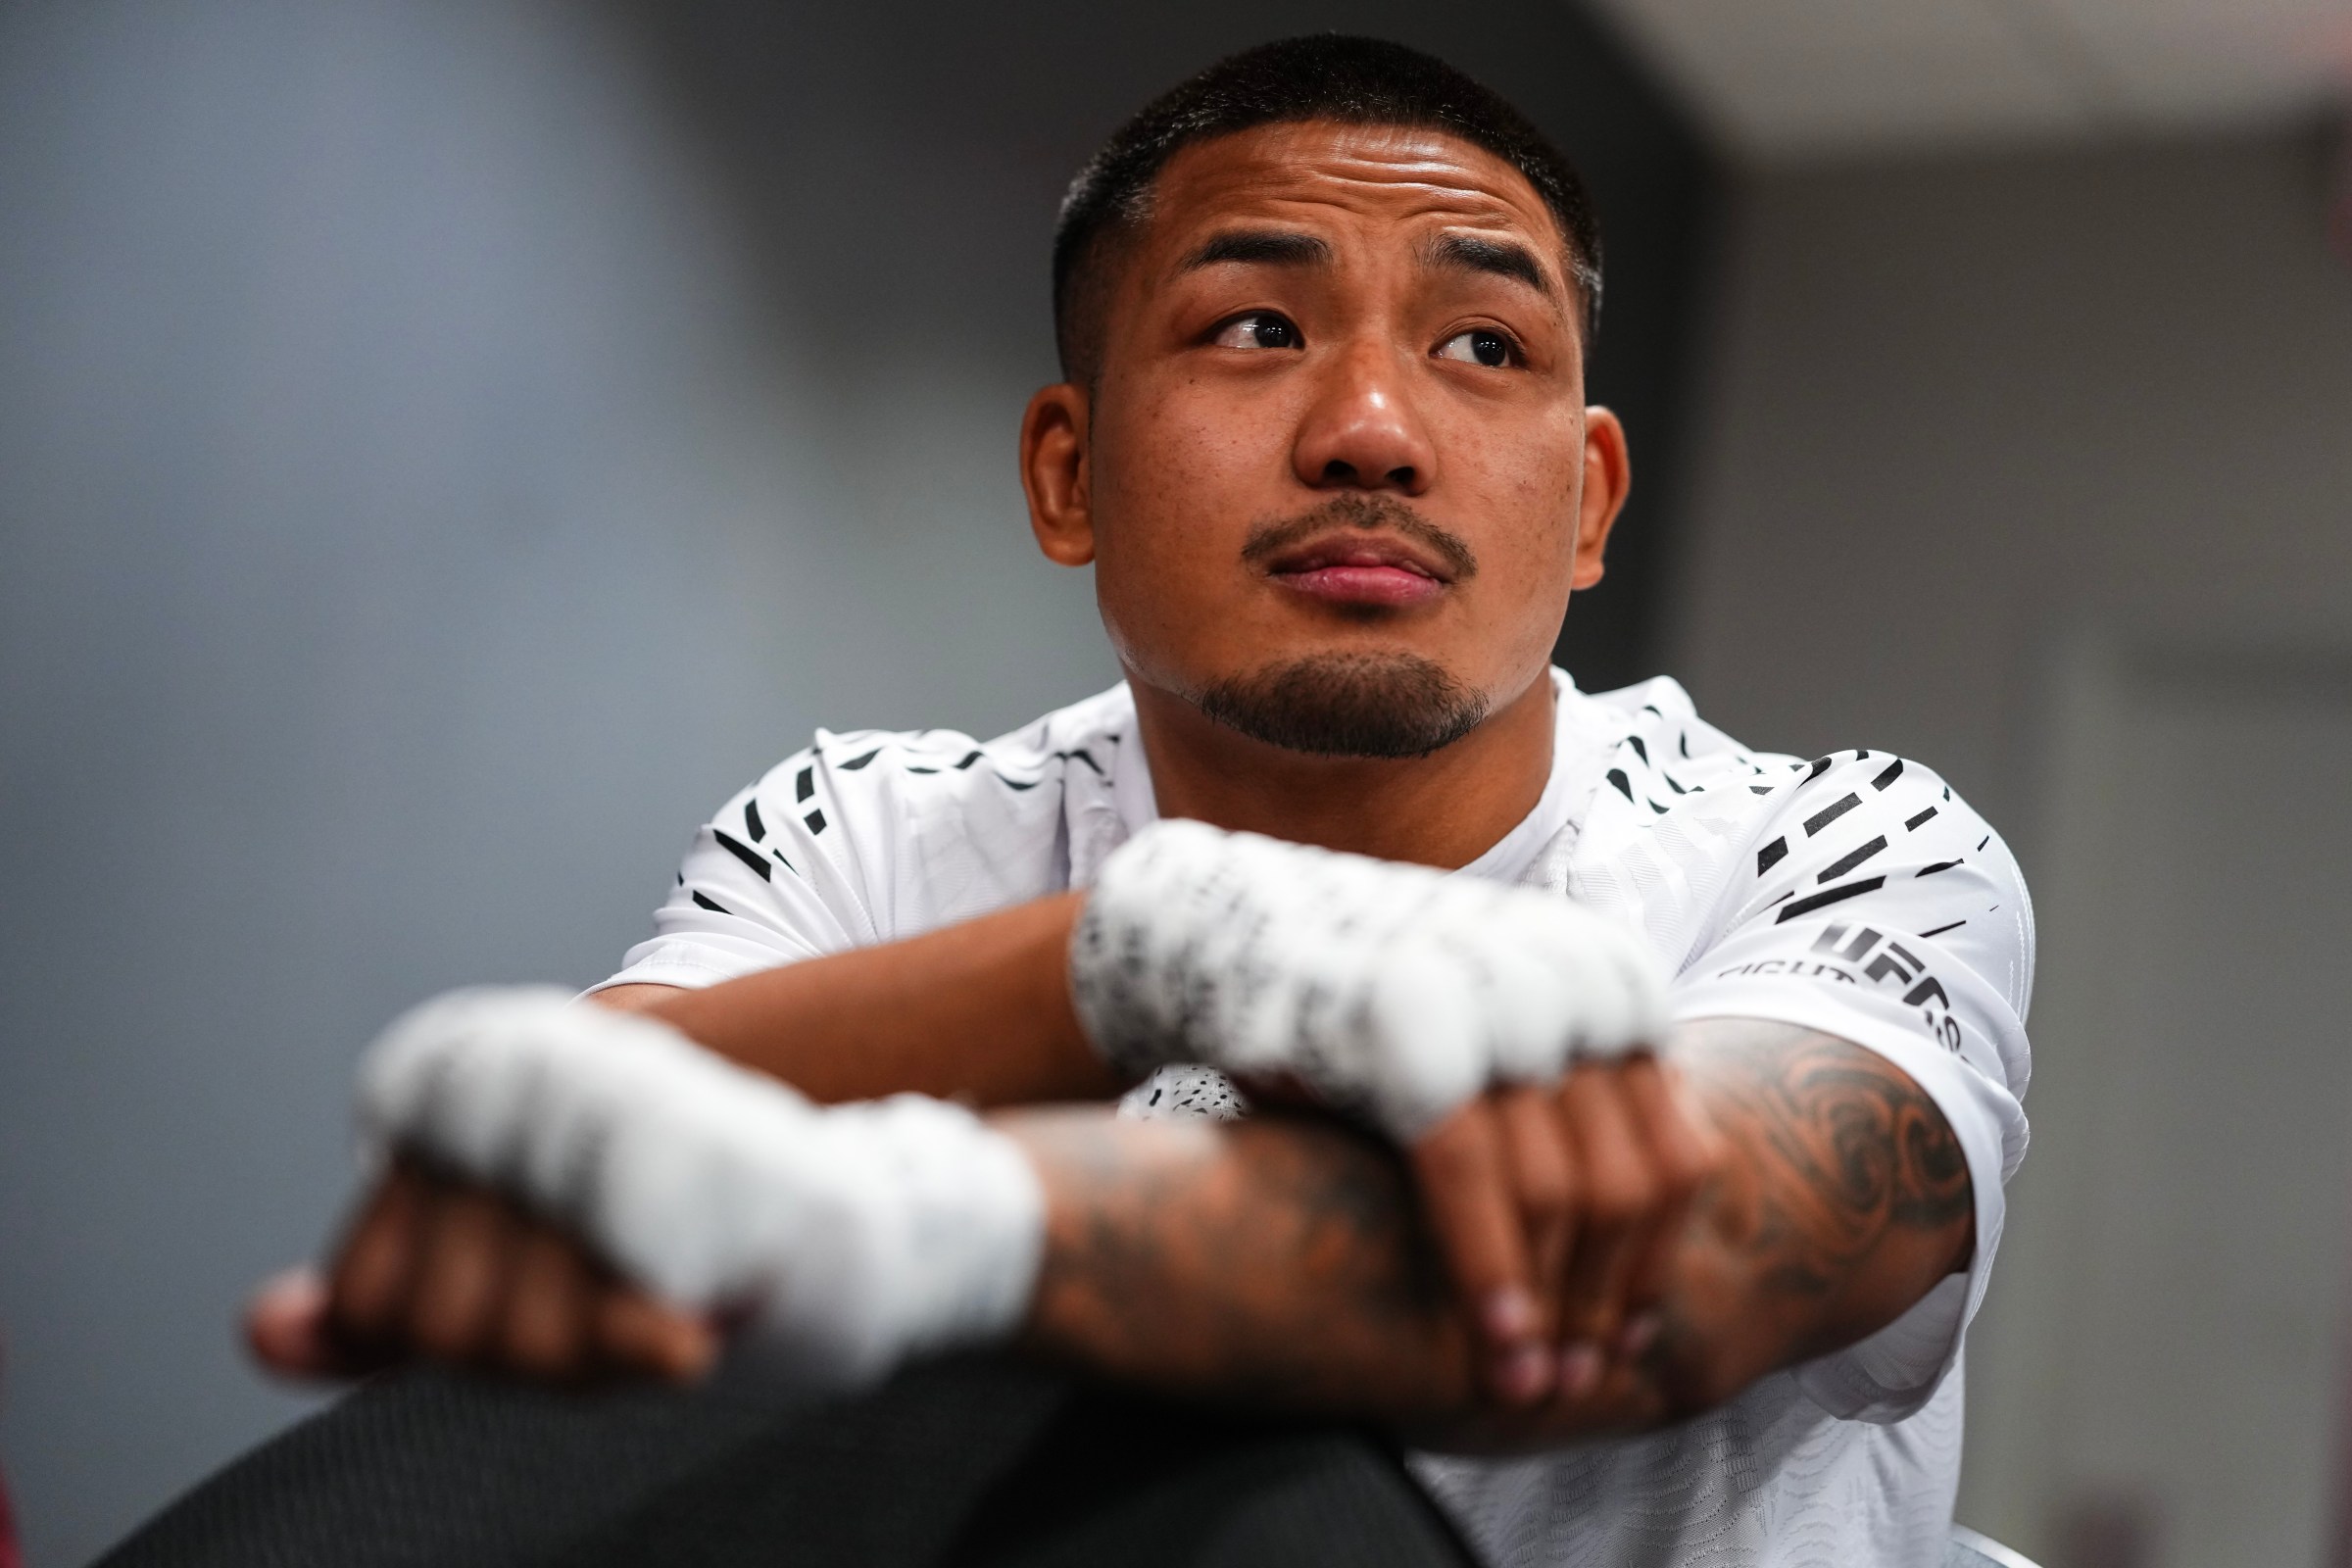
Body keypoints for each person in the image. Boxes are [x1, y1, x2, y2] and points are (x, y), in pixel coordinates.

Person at [227, 34, 2031, 1568]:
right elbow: (537, 1183)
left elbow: (1658, 1268)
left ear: (1589, 503)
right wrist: (1130, 961)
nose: (1374, 428)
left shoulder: (1838, 845)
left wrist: (894, 1226)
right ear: (1068, 472)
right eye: (1256, 326)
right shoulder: (876, 830)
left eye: (1487, 348)